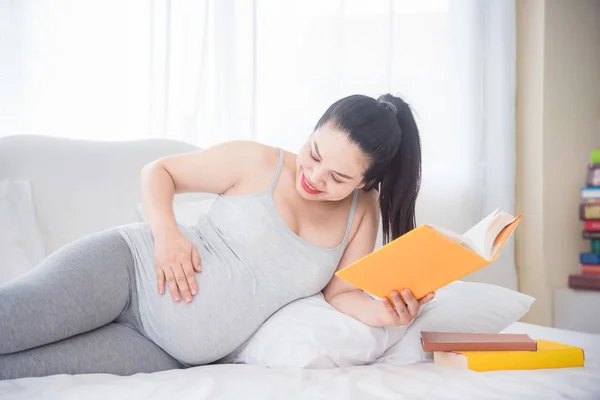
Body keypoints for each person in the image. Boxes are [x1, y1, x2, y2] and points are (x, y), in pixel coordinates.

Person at [0, 93, 434, 380]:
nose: (314, 177)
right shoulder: (256, 161)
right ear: (311, 132)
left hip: (164, 353)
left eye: (338, 177)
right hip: (126, 273)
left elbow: (341, 295)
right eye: (314, 153)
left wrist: (384, 315)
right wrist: (167, 234)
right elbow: (159, 171)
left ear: (364, 183)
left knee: (15, 370)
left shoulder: (363, 213)